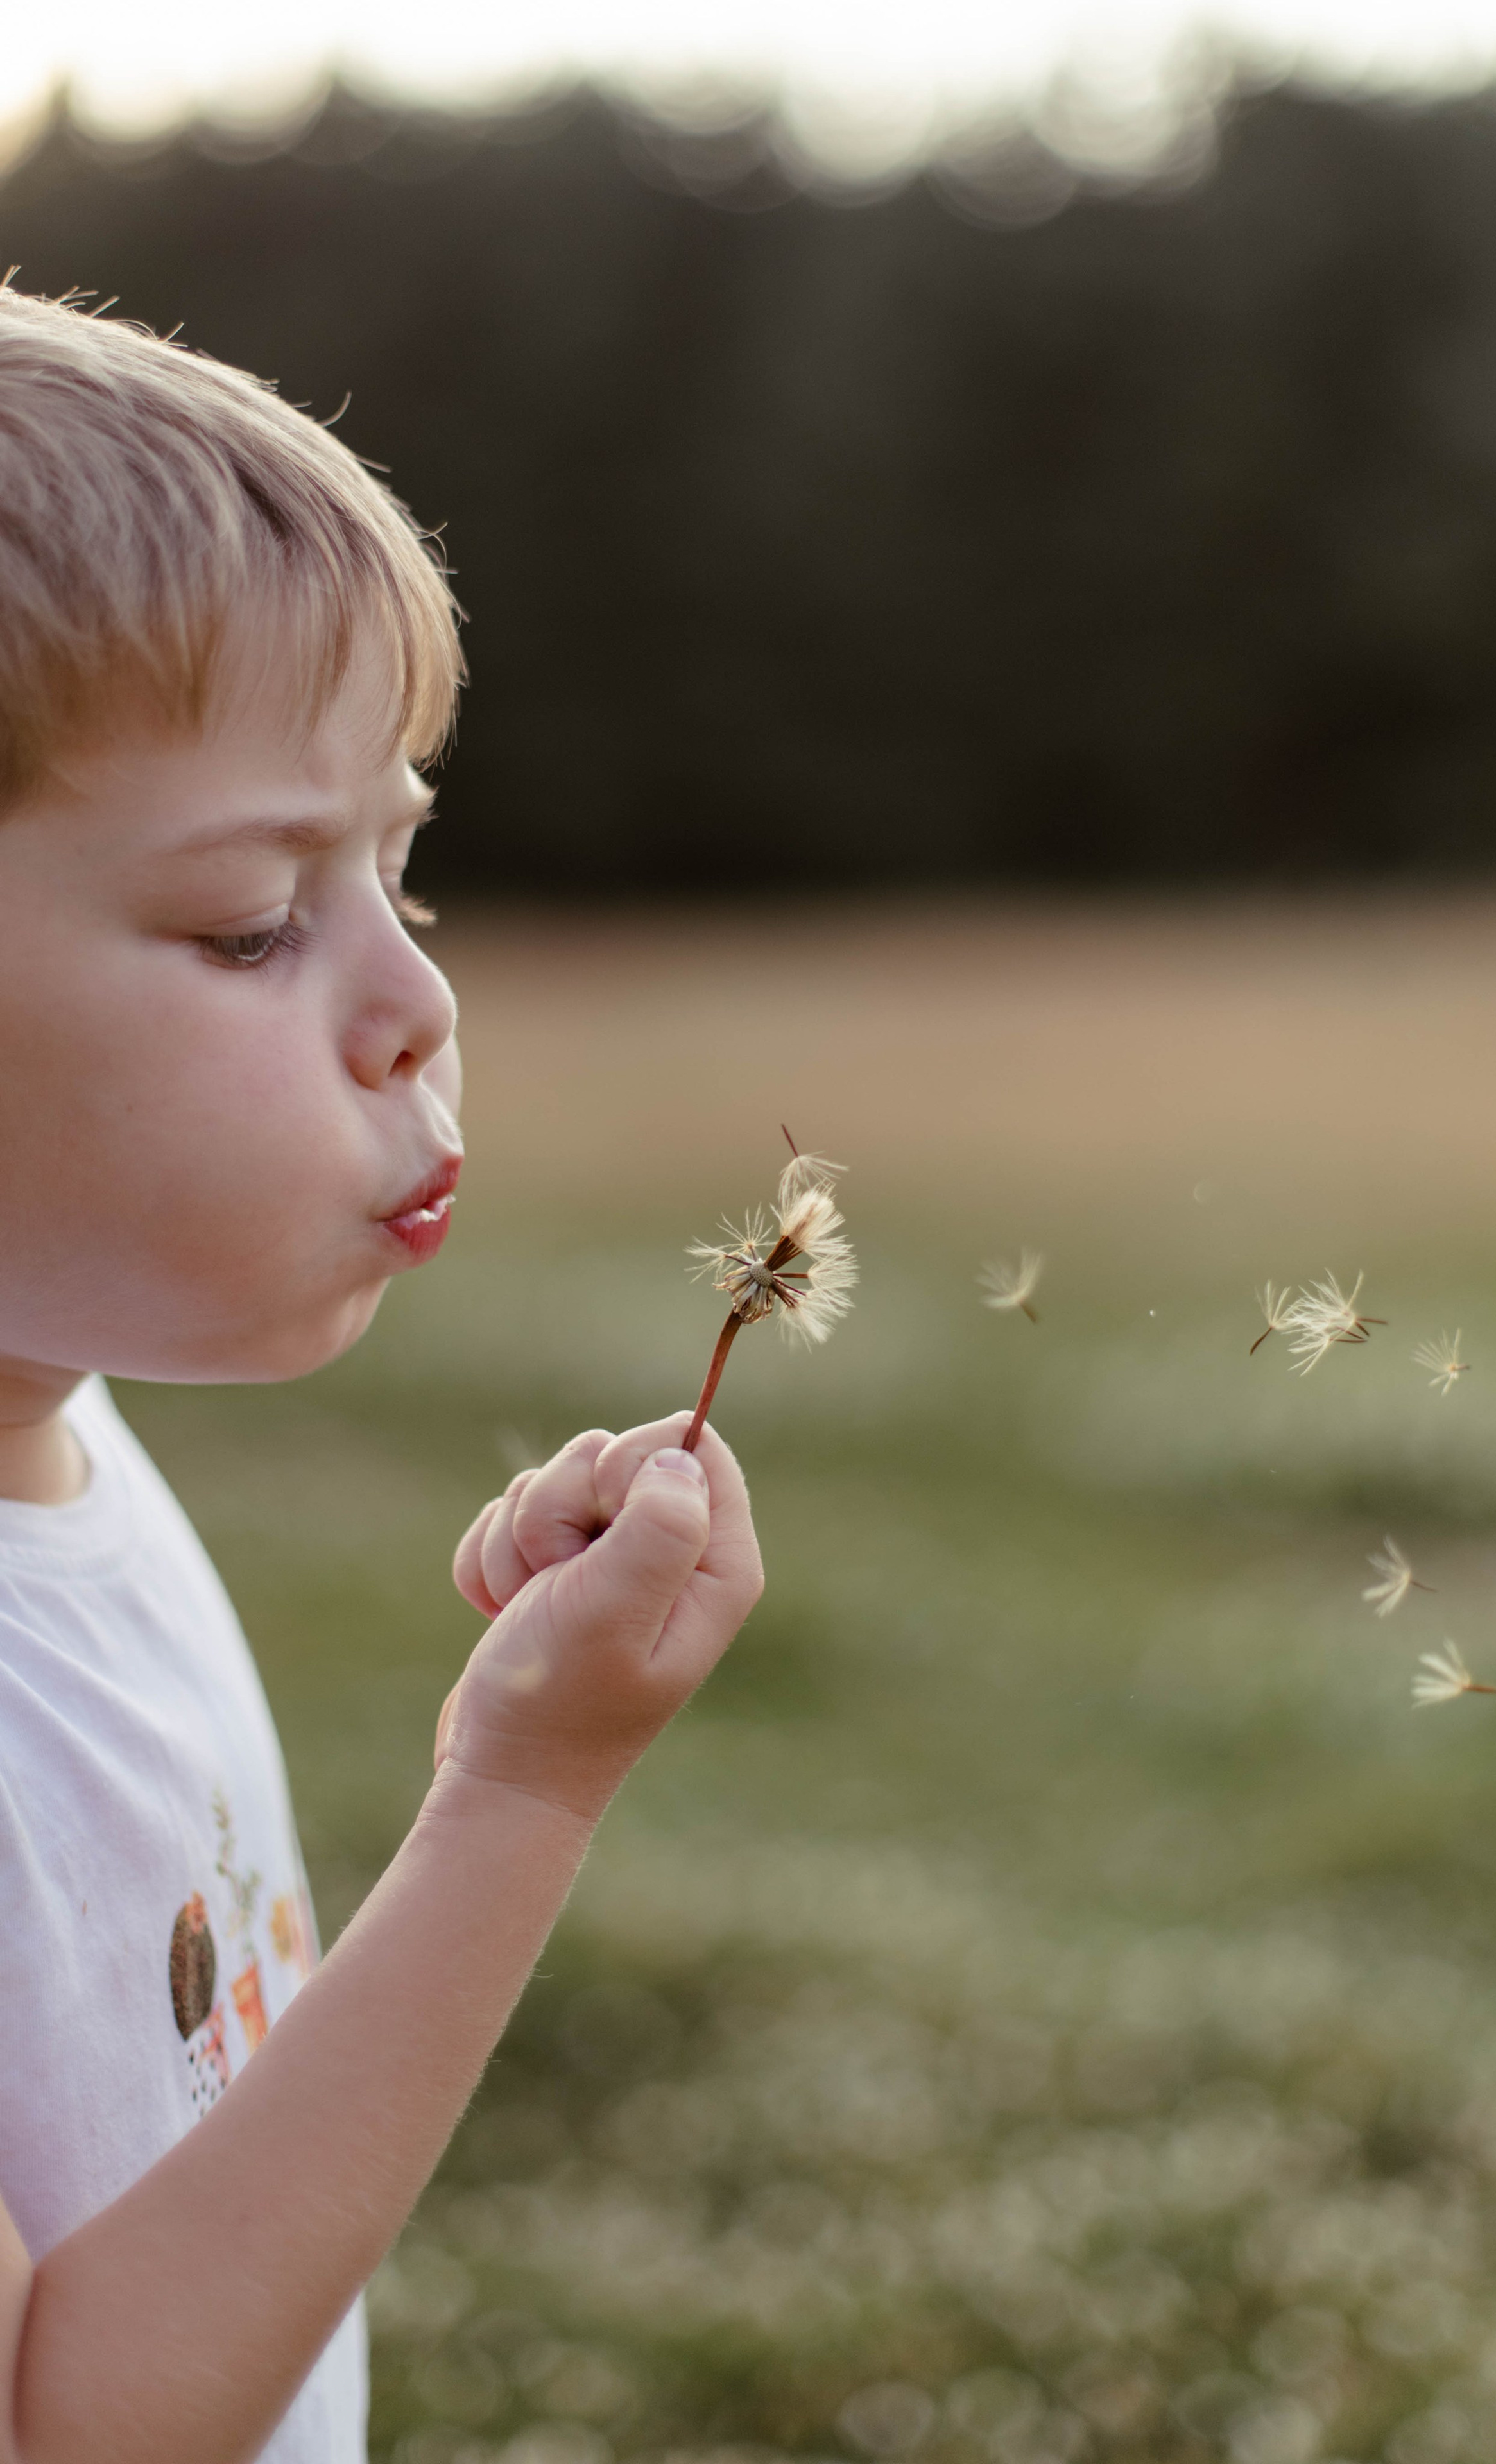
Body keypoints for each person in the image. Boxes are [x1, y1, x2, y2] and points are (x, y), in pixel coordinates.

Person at [0, 281, 764, 2464]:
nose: (414, 999)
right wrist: (520, 1793)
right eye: (254, 921)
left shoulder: (57, 1427)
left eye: (397, 873)